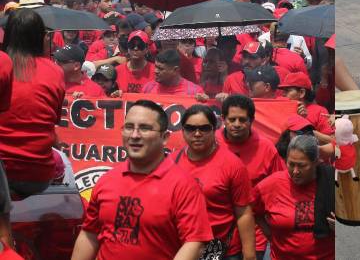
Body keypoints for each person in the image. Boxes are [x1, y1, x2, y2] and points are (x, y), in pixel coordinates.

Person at [71, 100, 213, 259]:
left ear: (164, 137)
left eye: (144, 128)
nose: (134, 135)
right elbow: (90, 233)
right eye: (129, 127)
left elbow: (195, 242)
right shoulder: (107, 180)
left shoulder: (183, 186)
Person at [174, 105, 256, 260]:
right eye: (190, 128)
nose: (197, 134)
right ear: (182, 131)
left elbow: (244, 212)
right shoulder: (172, 162)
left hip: (223, 250)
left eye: (204, 128)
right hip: (183, 248)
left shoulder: (233, 165)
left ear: (214, 129)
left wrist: (249, 255)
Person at [0, 9, 65, 198]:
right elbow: (49, 122)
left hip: (4, 173)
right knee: (64, 161)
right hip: (38, 177)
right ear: (40, 38)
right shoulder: (55, 72)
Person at [217, 95, 285, 260]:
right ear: (223, 119)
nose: (237, 124)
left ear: (252, 120)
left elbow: (280, 188)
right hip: (216, 234)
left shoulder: (266, 148)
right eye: (232, 119)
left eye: (242, 119)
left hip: (256, 235)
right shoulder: (210, 143)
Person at [252, 135, 335, 260]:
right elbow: (251, 211)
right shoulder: (272, 184)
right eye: (291, 164)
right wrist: (270, 236)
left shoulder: (331, 182)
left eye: (302, 165)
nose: (295, 171)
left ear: (316, 162)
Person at [279, 72, 333, 143]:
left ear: (302, 93)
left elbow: (331, 141)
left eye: (287, 91)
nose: (283, 94)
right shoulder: (281, 108)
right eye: (283, 91)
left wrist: (305, 128)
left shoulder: (319, 111)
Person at [142, 49, 208, 100]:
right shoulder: (148, 88)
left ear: (175, 70)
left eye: (160, 69)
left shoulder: (194, 92)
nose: (156, 71)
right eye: (155, 67)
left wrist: (203, 101)